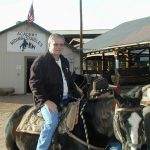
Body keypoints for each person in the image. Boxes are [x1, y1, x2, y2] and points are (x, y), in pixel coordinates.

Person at [29, 33, 81, 150]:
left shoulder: (64, 61)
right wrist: (46, 101)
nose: (59, 47)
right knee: (52, 122)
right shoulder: (41, 61)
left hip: (66, 98)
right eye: (55, 44)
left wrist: (78, 96)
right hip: (48, 100)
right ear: (49, 45)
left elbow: (69, 82)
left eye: (61, 44)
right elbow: (34, 84)